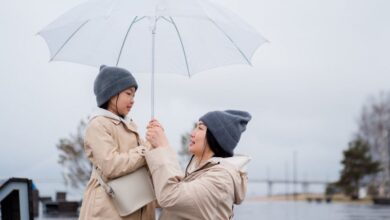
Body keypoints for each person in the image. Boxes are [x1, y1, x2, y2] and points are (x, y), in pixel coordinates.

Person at [79, 65, 155, 220]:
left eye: (134, 96)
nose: (132, 100)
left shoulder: (128, 125)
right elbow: (110, 165)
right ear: (112, 94)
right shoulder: (98, 124)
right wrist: (145, 151)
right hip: (107, 210)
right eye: (128, 94)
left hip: (132, 206)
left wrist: (153, 141)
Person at [145, 110, 251, 219]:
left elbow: (170, 197)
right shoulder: (200, 173)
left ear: (215, 138)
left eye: (200, 128)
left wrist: (163, 147)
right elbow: (159, 197)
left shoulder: (220, 180)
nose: (192, 133)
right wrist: (154, 148)